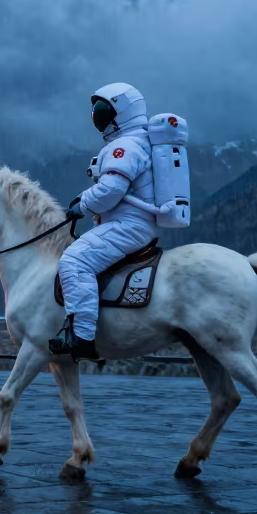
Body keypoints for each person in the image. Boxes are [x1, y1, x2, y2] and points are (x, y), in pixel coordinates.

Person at [49, 83, 158, 362]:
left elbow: (111, 190)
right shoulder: (138, 142)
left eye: (103, 111)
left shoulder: (125, 146)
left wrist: (81, 205)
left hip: (128, 226)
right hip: (129, 223)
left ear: (120, 112)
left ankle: (82, 338)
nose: (98, 117)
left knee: (74, 261)